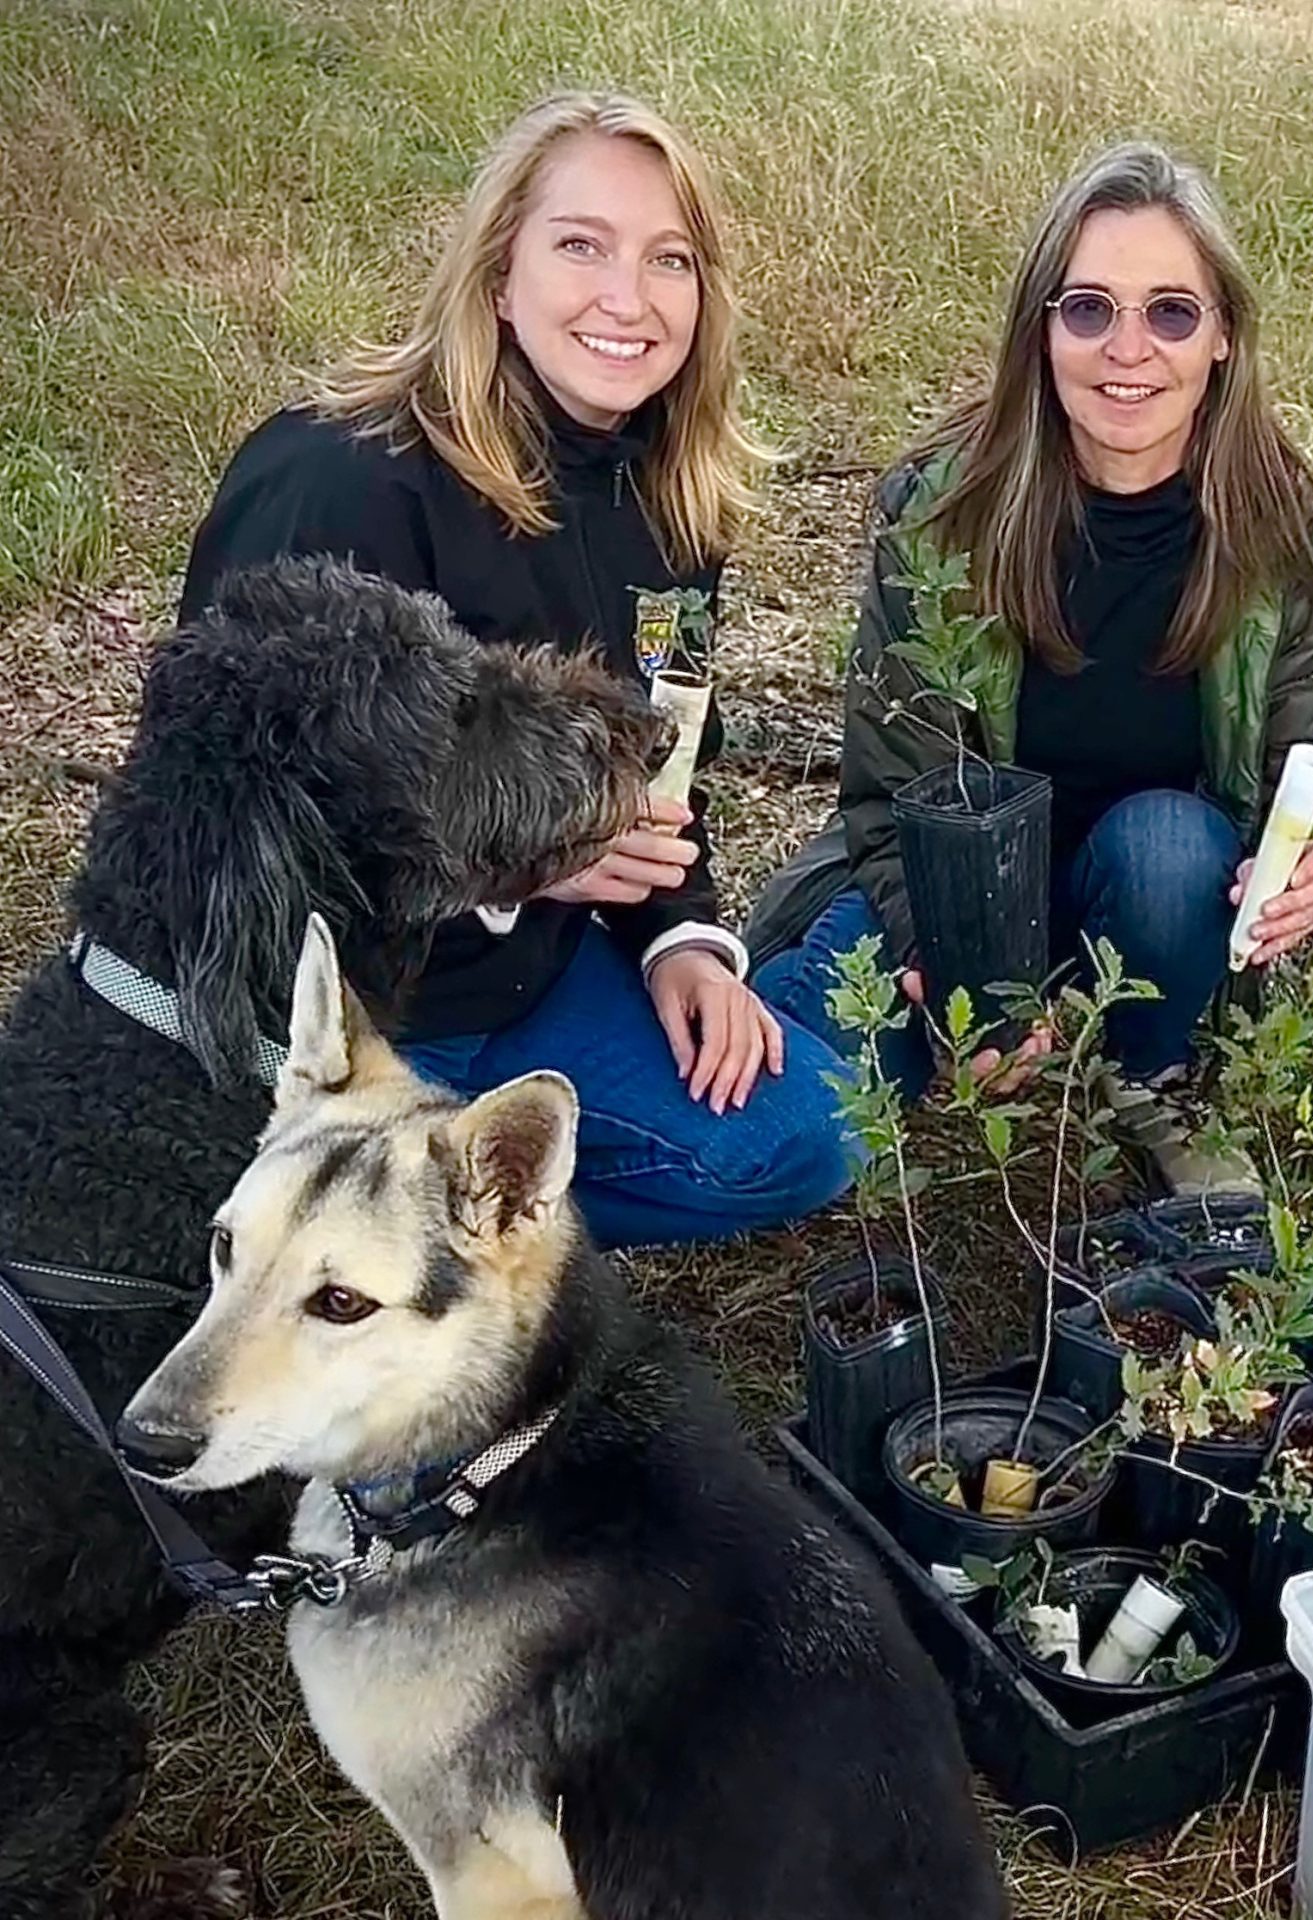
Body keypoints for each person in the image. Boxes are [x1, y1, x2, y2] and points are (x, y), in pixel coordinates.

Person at [180, 90, 856, 1247]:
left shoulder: (674, 500)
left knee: (804, 1138)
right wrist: (516, 870)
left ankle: (468, 1217)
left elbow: (664, 761)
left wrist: (677, 941)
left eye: (670, 260)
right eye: (580, 245)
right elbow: (226, 830)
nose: (627, 300)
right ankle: (356, 1220)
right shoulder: (341, 480)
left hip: (527, 993)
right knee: (389, 1373)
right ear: (498, 273)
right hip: (327, 1023)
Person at [745, 141, 1313, 1196]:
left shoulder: (1285, 539)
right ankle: (977, 1028)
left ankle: (1145, 1071)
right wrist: (942, 956)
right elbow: (898, 782)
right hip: (961, 885)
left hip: (1152, 905)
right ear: (1041, 329)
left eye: (1171, 311)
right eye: (1089, 309)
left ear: (1222, 337)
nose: (1129, 348)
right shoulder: (940, 513)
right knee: (806, 1112)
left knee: (1170, 848)